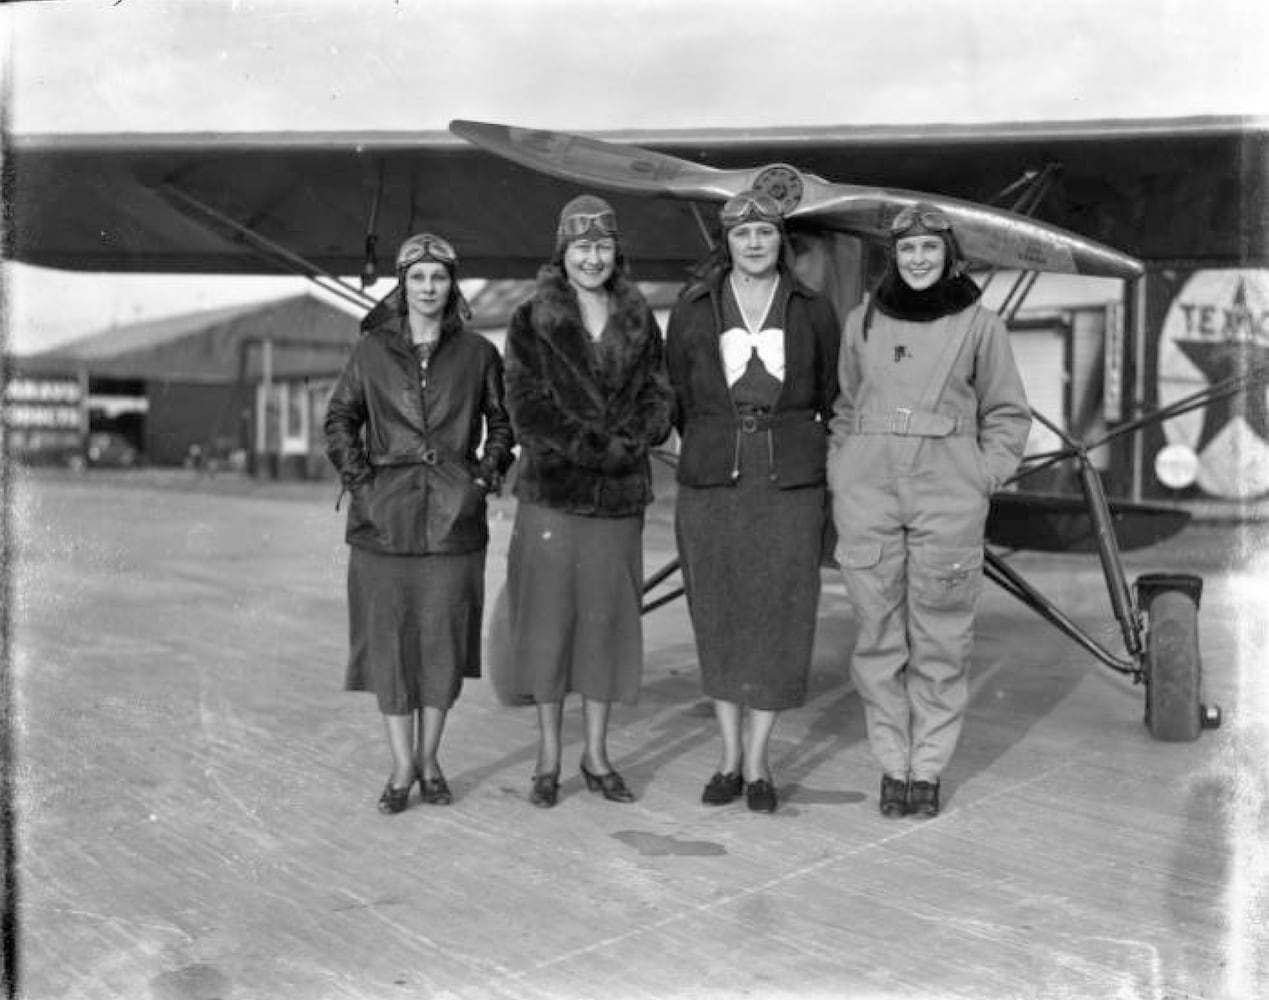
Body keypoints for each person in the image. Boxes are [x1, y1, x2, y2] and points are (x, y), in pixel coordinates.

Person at [827, 203, 1032, 819]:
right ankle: (894, 765)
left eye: (929, 248)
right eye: (907, 249)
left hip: (948, 493)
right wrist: (844, 470)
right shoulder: (861, 321)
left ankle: (929, 767)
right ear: (895, 256)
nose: (918, 259)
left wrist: (981, 477)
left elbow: (1007, 415)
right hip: (870, 494)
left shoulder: (980, 326)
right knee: (878, 637)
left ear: (948, 255)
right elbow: (844, 406)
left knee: (941, 639)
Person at [324, 232, 514, 814]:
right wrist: (363, 484)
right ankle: (403, 764)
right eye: (418, 278)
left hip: (454, 522)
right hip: (384, 522)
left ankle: (430, 759)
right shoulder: (370, 352)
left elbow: (502, 428)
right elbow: (339, 419)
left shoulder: (480, 353)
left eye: (438, 277)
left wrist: (480, 481)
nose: (429, 288)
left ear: (452, 283)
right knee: (390, 645)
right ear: (402, 286)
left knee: (442, 644)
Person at [666, 190, 841, 814]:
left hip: (789, 481)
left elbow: (831, 395)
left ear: (780, 241)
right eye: (742, 234)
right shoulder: (691, 311)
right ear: (727, 242)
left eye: (766, 232)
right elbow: (678, 396)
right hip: (714, 480)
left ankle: (761, 761)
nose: (755, 243)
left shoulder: (814, 310)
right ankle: (728, 757)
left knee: (780, 616)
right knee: (719, 612)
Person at [502, 194, 673, 808]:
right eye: (581, 247)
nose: (593, 257)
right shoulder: (529, 318)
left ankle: (597, 754)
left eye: (602, 246)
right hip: (553, 494)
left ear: (615, 251)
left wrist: (631, 441)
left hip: (620, 499)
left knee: (606, 624)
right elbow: (524, 404)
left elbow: (660, 395)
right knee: (549, 625)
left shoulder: (639, 316)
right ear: (563, 252)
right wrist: (591, 447)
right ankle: (548, 756)